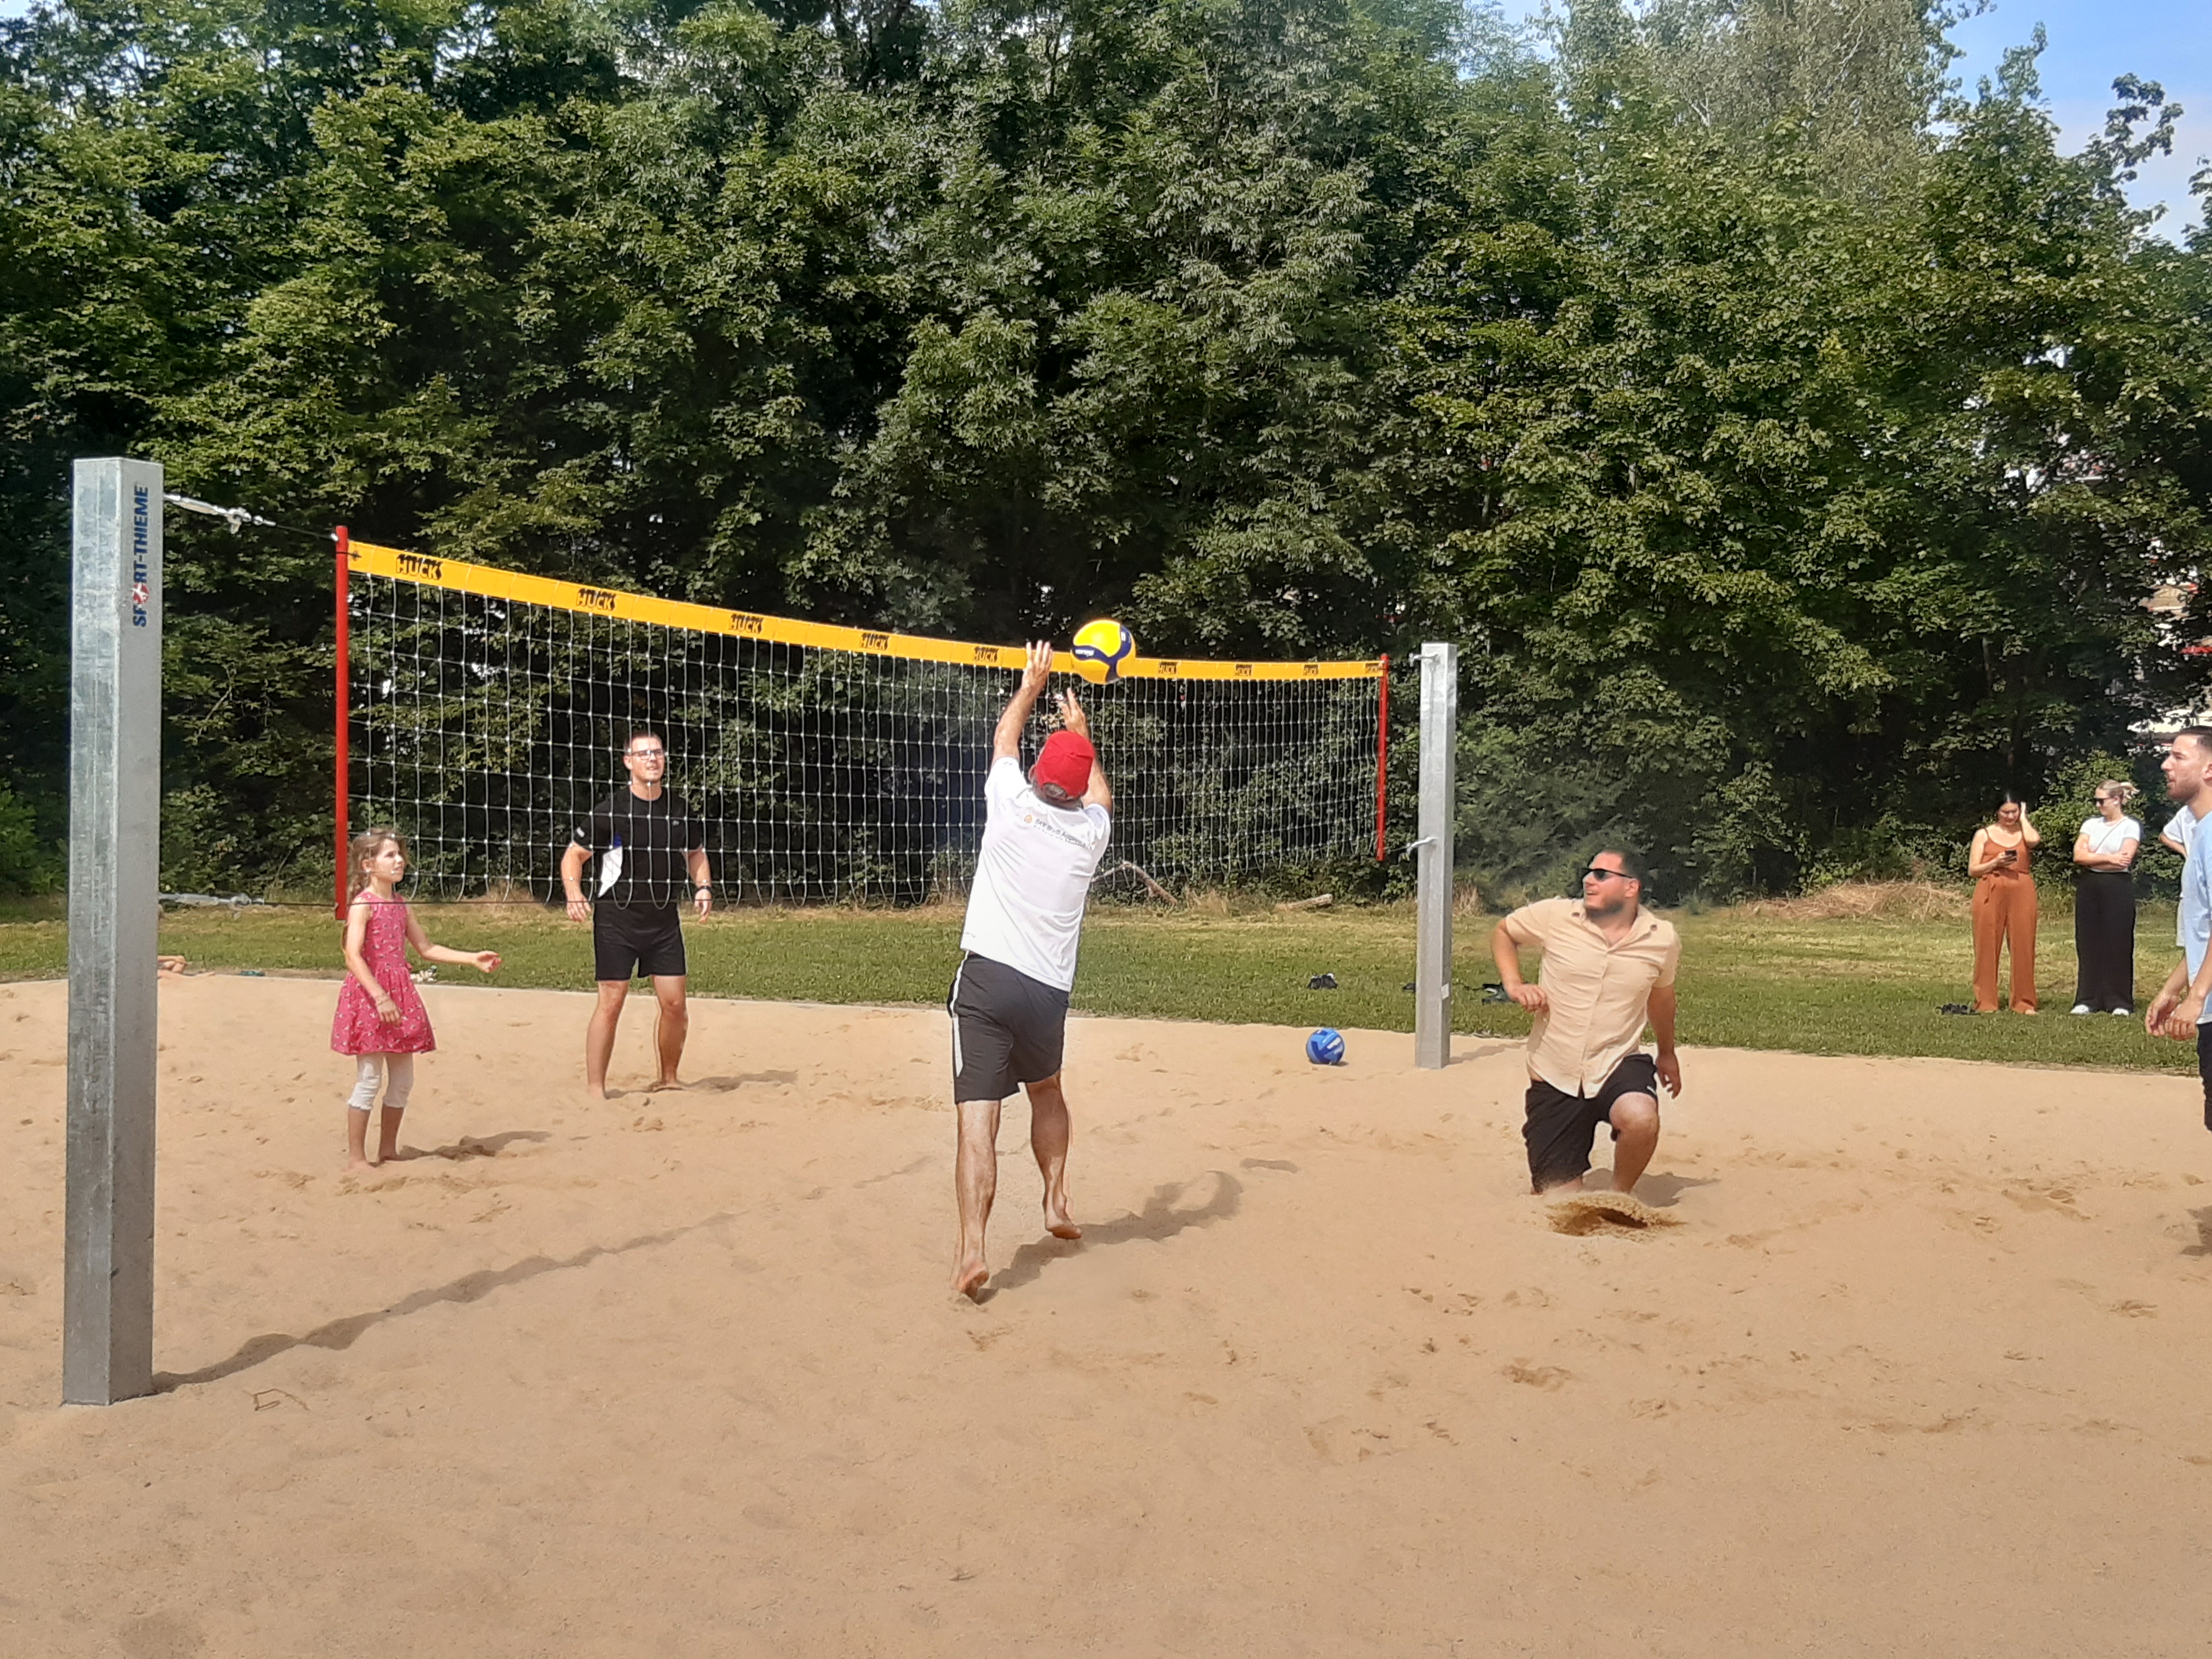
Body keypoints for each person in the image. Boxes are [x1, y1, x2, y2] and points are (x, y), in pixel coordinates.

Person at [949, 642, 1113, 1299]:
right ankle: (1055, 1201)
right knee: (1046, 1092)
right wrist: (1084, 735)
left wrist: (1031, 685)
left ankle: (971, 1253)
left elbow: (1004, 738)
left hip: (988, 981)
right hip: (1046, 991)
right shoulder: (1091, 834)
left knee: (977, 1122)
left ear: (1042, 774)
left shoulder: (1010, 805)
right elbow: (1099, 790)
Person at [1490, 851, 1682, 1198]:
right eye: (1588, 873)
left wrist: (1667, 1053)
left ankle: (1618, 1197)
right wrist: (1514, 984)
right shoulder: (1557, 916)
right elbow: (1504, 932)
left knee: (1641, 1117)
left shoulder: (1661, 938)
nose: (1588, 880)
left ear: (1631, 887)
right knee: (1559, 1201)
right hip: (1555, 1072)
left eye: (1601, 874)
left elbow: (1662, 998)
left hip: (1616, 1062)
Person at [331, 827, 501, 1169]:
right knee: (369, 1079)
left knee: (403, 1080)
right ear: (368, 864)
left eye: (399, 855)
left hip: (400, 993)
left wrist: (471, 958)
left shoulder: (399, 904)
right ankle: (356, 1158)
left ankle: (389, 1150)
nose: (399, 861)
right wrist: (380, 997)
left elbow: (426, 948)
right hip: (371, 996)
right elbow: (353, 956)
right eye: (389, 855)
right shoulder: (363, 905)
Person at [560, 729, 711, 1097]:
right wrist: (573, 892)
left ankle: (669, 1078)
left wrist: (703, 885)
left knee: (675, 1004)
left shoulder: (678, 809)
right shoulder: (612, 810)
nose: (652, 759)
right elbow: (574, 855)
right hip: (617, 919)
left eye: (657, 753)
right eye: (643, 754)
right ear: (628, 762)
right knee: (611, 1003)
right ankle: (597, 1088)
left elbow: (696, 852)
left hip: (663, 921)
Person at [2143, 727, 2212, 1128]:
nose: (2166, 765)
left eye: (2179, 757)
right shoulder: (2200, 832)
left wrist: (2197, 997)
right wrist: (2173, 991)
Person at [2070, 781, 2142, 1015]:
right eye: (2096, 801)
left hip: (2117, 886)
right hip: (2090, 885)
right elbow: (2079, 855)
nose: (2098, 805)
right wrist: (2108, 859)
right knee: (2088, 942)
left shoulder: (2130, 826)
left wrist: (2097, 857)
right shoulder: (2091, 824)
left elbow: (2125, 858)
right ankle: (2088, 998)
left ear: (2117, 800)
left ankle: (2119, 1001)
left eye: (2102, 800)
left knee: (2118, 942)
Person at [1968, 794, 2042, 1013]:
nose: (2010, 816)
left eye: (2014, 811)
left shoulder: (2023, 832)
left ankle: (2024, 1002)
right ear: (1996, 812)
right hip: (1991, 888)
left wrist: (2025, 818)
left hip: (2022, 890)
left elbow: (2034, 841)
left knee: (2023, 944)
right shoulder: (1984, 834)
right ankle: (1987, 1002)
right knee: (1987, 945)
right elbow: (1973, 870)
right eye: (2005, 812)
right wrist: (1995, 863)